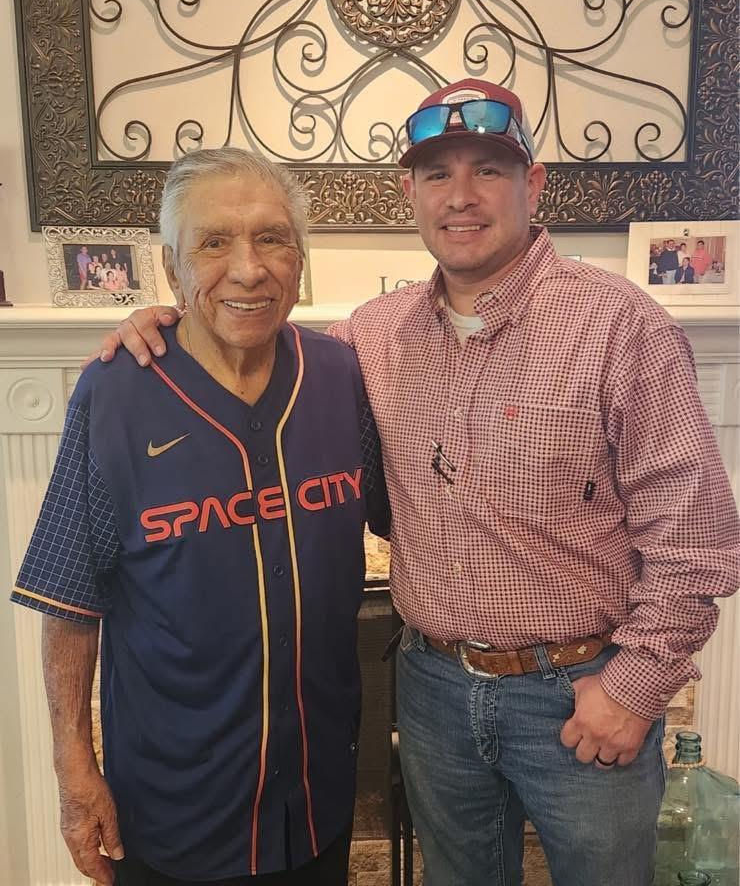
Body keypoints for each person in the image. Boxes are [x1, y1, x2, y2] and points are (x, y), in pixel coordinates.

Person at [92, 79, 740, 886]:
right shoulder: (370, 337)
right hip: (432, 693)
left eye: (488, 170)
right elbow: (255, 333)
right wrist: (166, 324)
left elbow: (696, 542)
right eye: (437, 173)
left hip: (580, 692)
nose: (460, 196)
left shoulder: (622, 327)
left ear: (534, 185)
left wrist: (635, 687)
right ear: (411, 191)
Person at [11, 149, 389, 886]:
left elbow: (410, 516)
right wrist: (74, 770)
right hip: (174, 808)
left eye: (273, 238)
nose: (249, 269)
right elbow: (68, 600)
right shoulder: (116, 394)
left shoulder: (339, 375)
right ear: (170, 267)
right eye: (213, 243)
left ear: (300, 259)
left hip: (316, 796)